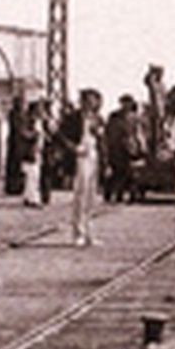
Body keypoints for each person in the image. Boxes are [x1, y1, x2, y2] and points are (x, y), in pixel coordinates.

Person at [70, 89, 104, 246]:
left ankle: (90, 232)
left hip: (93, 155)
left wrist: (105, 161)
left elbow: (103, 140)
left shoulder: (97, 118)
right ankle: (78, 232)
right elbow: (61, 135)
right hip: (80, 156)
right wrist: (73, 147)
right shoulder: (74, 117)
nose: (91, 104)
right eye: (88, 100)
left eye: (94, 101)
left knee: (91, 196)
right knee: (80, 195)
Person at [17, 101, 44, 207]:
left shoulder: (38, 121)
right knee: (33, 175)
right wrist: (34, 135)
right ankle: (33, 199)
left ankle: (28, 196)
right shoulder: (29, 121)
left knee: (33, 175)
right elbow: (24, 133)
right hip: (30, 151)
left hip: (37, 150)